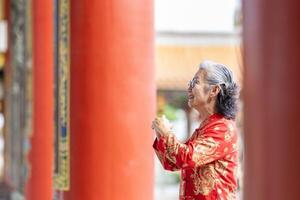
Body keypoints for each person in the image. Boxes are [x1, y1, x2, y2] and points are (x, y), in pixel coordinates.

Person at [152, 60, 240, 200]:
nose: (189, 88)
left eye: (195, 82)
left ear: (214, 90)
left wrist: (167, 134)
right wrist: (161, 134)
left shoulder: (222, 128)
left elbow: (187, 157)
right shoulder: (206, 127)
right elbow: (172, 163)